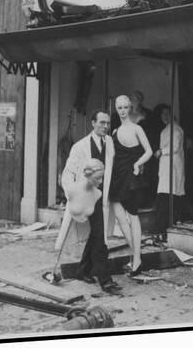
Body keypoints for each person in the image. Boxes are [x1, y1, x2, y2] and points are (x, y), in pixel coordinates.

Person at [56, 109, 121, 294]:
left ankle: (83, 270)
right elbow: (67, 173)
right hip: (86, 198)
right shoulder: (80, 146)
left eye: (108, 123)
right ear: (93, 123)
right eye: (101, 123)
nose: (105, 127)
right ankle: (105, 280)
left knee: (97, 235)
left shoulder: (109, 142)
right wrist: (72, 194)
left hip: (102, 196)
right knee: (100, 237)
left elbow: (111, 167)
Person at [109, 95, 153, 276]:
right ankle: (135, 255)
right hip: (117, 178)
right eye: (119, 107)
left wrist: (137, 164)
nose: (122, 111)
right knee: (120, 217)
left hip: (132, 178)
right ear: (116, 109)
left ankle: (137, 259)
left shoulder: (137, 128)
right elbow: (112, 158)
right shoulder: (113, 132)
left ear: (130, 108)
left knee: (133, 216)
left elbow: (149, 151)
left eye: (126, 107)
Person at [154, 105, 188, 236]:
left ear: (172, 115)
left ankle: (165, 229)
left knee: (170, 198)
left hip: (172, 169)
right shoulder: (166, 130)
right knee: (165, 197)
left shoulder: (176, 129)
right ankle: (162, 229)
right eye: (163, 114)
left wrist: (161, 151)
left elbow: (175, 147)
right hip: (166, 168)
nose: (165, 116)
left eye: (167, 114)